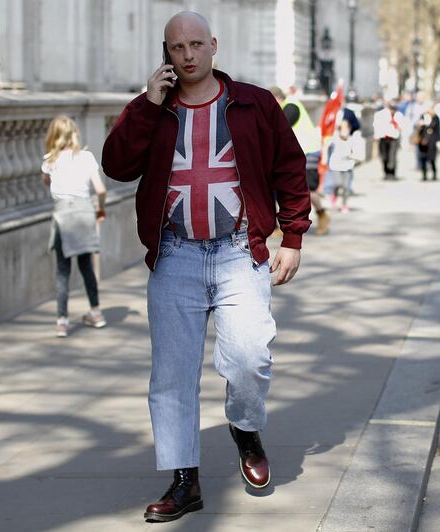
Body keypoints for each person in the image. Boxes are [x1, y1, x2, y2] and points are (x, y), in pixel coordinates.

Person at [101, 11, 311, 523]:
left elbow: (289, 165)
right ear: (166, 53)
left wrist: (293, 236)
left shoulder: (253, 103)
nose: (189, 54)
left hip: (241, 251)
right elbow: (116, 164)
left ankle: (244, 426)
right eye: (178, 47)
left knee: (249, 359)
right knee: (171, 377)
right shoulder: (155, 109)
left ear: (214, 46)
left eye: (197, 44)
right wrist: (146, 105)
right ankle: (183, 480)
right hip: (176, 254)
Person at [41, 116, 108, 337]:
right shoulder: (86, 157)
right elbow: (100, 189)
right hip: (85, 213)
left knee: (62, 270)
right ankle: (96, 313)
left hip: (63, 216)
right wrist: (100, 209)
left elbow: (46, 181)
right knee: (86, 266)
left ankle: (62, 321)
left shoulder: (50, 160)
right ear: (75, 134)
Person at [270, 85, 330, 235]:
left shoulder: (291, 106)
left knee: (309, 189)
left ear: (276, 98)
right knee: (283, 189)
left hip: (309, 152)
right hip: (296, 155)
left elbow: (279, 127)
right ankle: (283, 225)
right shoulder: (285, 106)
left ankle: (322, 215)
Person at [324, 119, 363, 212]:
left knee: (346, 187)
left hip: (348, 165)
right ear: (339, 129)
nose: (345, 131)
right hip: (336, 165)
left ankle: (344, 205)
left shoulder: (352, 139)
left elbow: (356, 151)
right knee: (338, 183)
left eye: (347, 128)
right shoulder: (335, 138)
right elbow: (326, 146)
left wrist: (355, 157)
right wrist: (324, 157)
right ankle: (334, 194)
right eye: (343, 128)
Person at [373, 98, 402, 180]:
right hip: (383, 138)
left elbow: (402, 126)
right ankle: (386, 172)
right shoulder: (381, 114)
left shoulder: (398, 115)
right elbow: (376, 125)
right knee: (384, 157)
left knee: (392, 156)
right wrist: (376, 136)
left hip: (393, 139)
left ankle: (392, 173)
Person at [414, 110, 440, 181]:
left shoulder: (435, 118)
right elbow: (418, 129)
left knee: (432, 159)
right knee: (423, 159)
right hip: (422, 142)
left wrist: (438, 142)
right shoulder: (422, 117)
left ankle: (434, 175)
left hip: (432, 142)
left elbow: (437, 131)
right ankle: (424, 175)